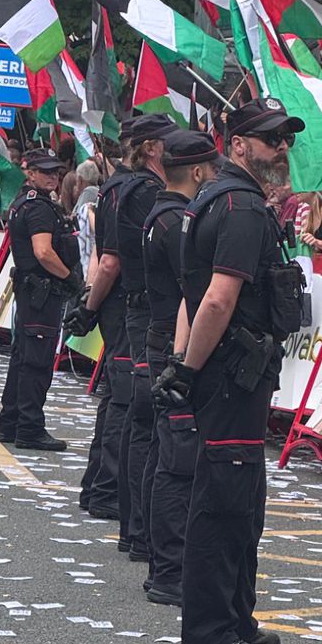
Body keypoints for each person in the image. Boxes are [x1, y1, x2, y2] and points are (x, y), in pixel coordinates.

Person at [155, 96, 307, 644]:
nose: (282, 149)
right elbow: (217, 298)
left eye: (285, 138)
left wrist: (184, 364)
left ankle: (235, 617)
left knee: (240, 503)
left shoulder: (213, 199)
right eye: (271, 139)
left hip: (225, 371)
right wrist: (190, 369)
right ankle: (211, 632)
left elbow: (197, 297)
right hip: (231, 375)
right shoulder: (241, 205)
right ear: (237, 144)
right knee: (225, 505)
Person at [141, 129, 221, 606]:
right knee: (178, 460)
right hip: (173, 343)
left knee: (164, 451)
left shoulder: (163, 214)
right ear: (195, 172)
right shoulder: (173, 220)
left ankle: (162, 557)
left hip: (162, 339)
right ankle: (170, 568)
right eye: (210, 169)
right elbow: (193, 290)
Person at [112, 114, 175, 559]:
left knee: (139, 417)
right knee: (146, 420)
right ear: (153, 148)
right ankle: (139, 531)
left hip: (134, 307)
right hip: (147, 309)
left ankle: (134, 528)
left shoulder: (122, 186)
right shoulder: (148, 193)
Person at [71, 131, 137, 521]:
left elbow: (101, 256)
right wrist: (92, 303)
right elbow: (110, 259)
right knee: (123, 402)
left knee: (115, 397)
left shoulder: (111, 191)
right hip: (126, 306)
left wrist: (90, 301)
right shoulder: (131, 192)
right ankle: (106, 488)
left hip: (111, 303)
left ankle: (97, 485)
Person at [0, 150, 81, 451]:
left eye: (56, 172)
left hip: (30, 291)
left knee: (22, 359)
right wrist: (70, 278)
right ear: (29, 172)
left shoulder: (23, 202)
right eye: (45, 171)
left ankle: (11, 423)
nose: (53, 177)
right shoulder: (40, 208)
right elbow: (43, 251)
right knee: (36, 363)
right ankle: (29, 427)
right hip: (42, 292)